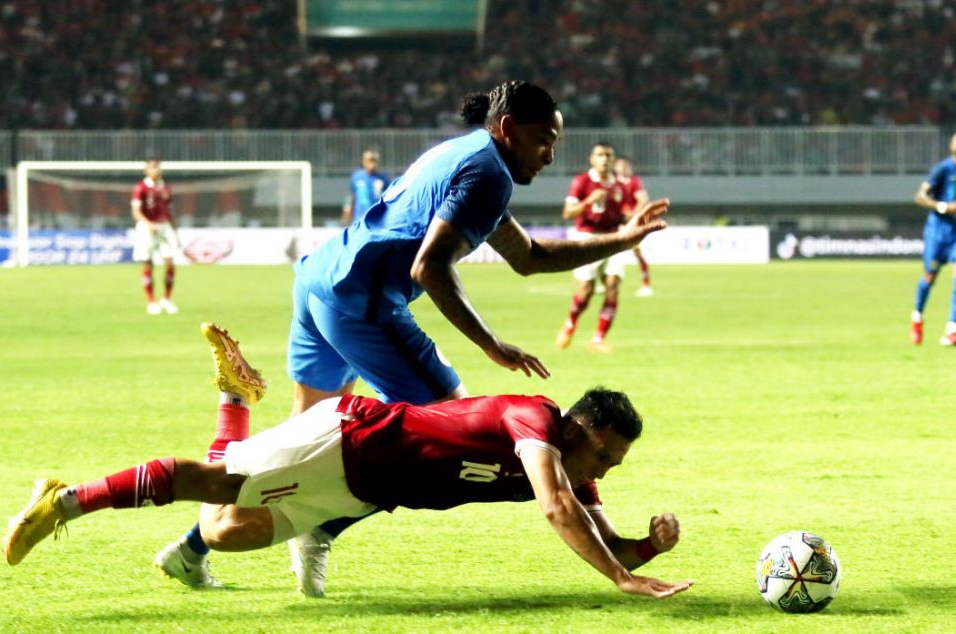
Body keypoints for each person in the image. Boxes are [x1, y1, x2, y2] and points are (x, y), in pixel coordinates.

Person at [156, 80, 670, 595]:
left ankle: (190, 549)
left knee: (296, 447)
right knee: (444, 444)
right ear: (509, 129)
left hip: (321, 281)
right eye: (542, 139)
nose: (550, 155)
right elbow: (430, 268)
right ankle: (319, 528)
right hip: (364, 302)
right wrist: (491, 344)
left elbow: (529, 256)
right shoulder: (488, 173)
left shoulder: (467, 154)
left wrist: (624, 238)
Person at [3, 323, 693, 600]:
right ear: (578, 427)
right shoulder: (532, 420)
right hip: (350, 438)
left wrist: (643, 550)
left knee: (222, 532)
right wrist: (616, 580)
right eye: (604, 452)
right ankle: (61, 502)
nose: (605, 468)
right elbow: (555, 508)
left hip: (362, 492)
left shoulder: (578, 470)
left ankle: (234, 397)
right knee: (212, 483)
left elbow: (613, 547)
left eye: (615, 462)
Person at [555, 143, 633, 354]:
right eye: (600, 155)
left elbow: (623, 214)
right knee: (587, 289)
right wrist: (589, 200)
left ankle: (598, 339)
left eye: (609, 155)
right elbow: (568, 213)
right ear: (592, 158)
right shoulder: (582, 181)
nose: (605, 159)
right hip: (587, 238)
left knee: (613, 285)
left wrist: (633, 217)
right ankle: (570, 323)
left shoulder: (620, 186)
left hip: (613, 238)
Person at [910, 129, 956, 346]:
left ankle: (951, 330)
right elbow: (920, 197)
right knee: (929, 277)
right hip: (938, 234)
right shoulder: (942, 170)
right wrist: (944, 206)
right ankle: (917, 317)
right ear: (952, 145)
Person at [131, 158, 180, 315]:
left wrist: (175, 230)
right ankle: (151, 301)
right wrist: (148, 223)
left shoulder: (166, 187)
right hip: (147, 228)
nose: (156, 170)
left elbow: (170, 211)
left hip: (165, 227)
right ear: (146, 171)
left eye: (157, 167)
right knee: (148, 265)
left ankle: (166, 299)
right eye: (152, 168)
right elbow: (136, 212)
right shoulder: (141, 188)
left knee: (170, 262)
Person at [614, 158, 654, 297]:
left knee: (637, 252)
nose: (623, 167)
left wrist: (633, 215)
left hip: (631, 224)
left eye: (625, 165)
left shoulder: (634, 182)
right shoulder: (613, 182)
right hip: (615, 223)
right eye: (620, 165)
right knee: (608, 253)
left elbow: (643, 200)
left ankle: (646, 284)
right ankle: (606, 283)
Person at [341, 149, 391, 226]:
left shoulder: (383, 179)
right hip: (360, 219)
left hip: (377, 220)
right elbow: (352, 197)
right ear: (364, 162)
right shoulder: (356, 177)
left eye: (374, 160)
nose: (372, 163)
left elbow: (388, 200)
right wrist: (347, 214)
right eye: (370, 160)